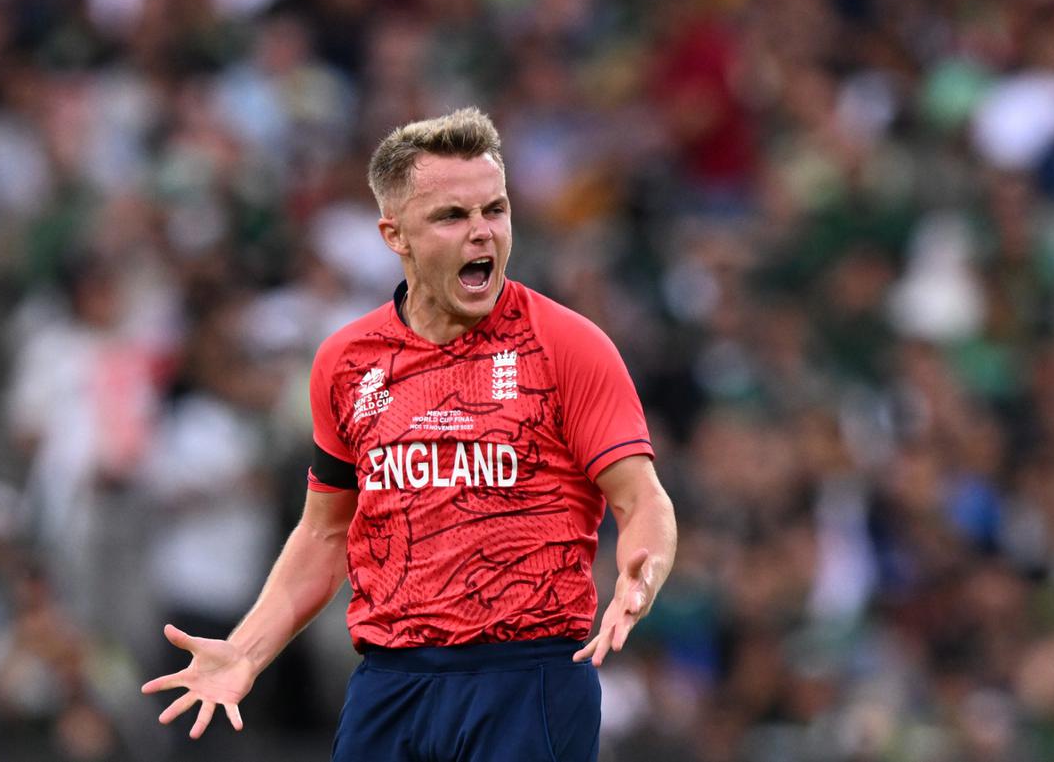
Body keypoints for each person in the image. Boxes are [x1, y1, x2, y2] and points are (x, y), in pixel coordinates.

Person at [141, 107, 678, 761]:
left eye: (495, 210)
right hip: (391, 682)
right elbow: (325, 532)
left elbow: (641, 497)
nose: (481, 232)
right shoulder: (346, 361)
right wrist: (246, 650)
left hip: (528, 674)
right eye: (451, 216)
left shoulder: (567, 345)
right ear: (394, 234)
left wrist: (642, 572)